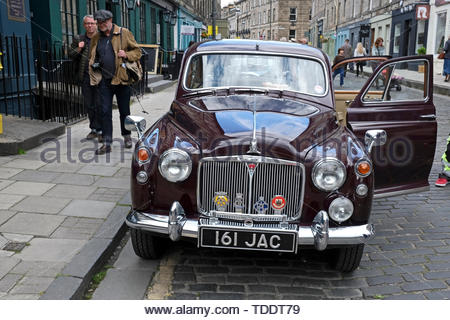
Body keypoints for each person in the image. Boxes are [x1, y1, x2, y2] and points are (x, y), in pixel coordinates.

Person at [88, 9, 142, 155]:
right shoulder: (96, 37)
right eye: (99, 22)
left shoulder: (124, 33)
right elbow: (93, 54)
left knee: (125, 111)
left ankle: (127, 136)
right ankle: (107, 143)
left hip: (122, 79)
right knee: (105, 111)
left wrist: (127, 54)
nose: (101, 25)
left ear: (111, 20)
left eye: (104, 22)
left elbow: (138, 52)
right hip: (104, 80)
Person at [69, 15, 101, 141]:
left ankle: (101, 130)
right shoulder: (79, 39)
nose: (90, 26)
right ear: (84, 25)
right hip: (85, 77)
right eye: (87, 23)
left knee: (100, 105)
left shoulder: (102, 38)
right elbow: (70, 55)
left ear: (96, 24)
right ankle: (94, 129)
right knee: (90, 105)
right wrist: (79, 48)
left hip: (99, 77)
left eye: (92, 23)